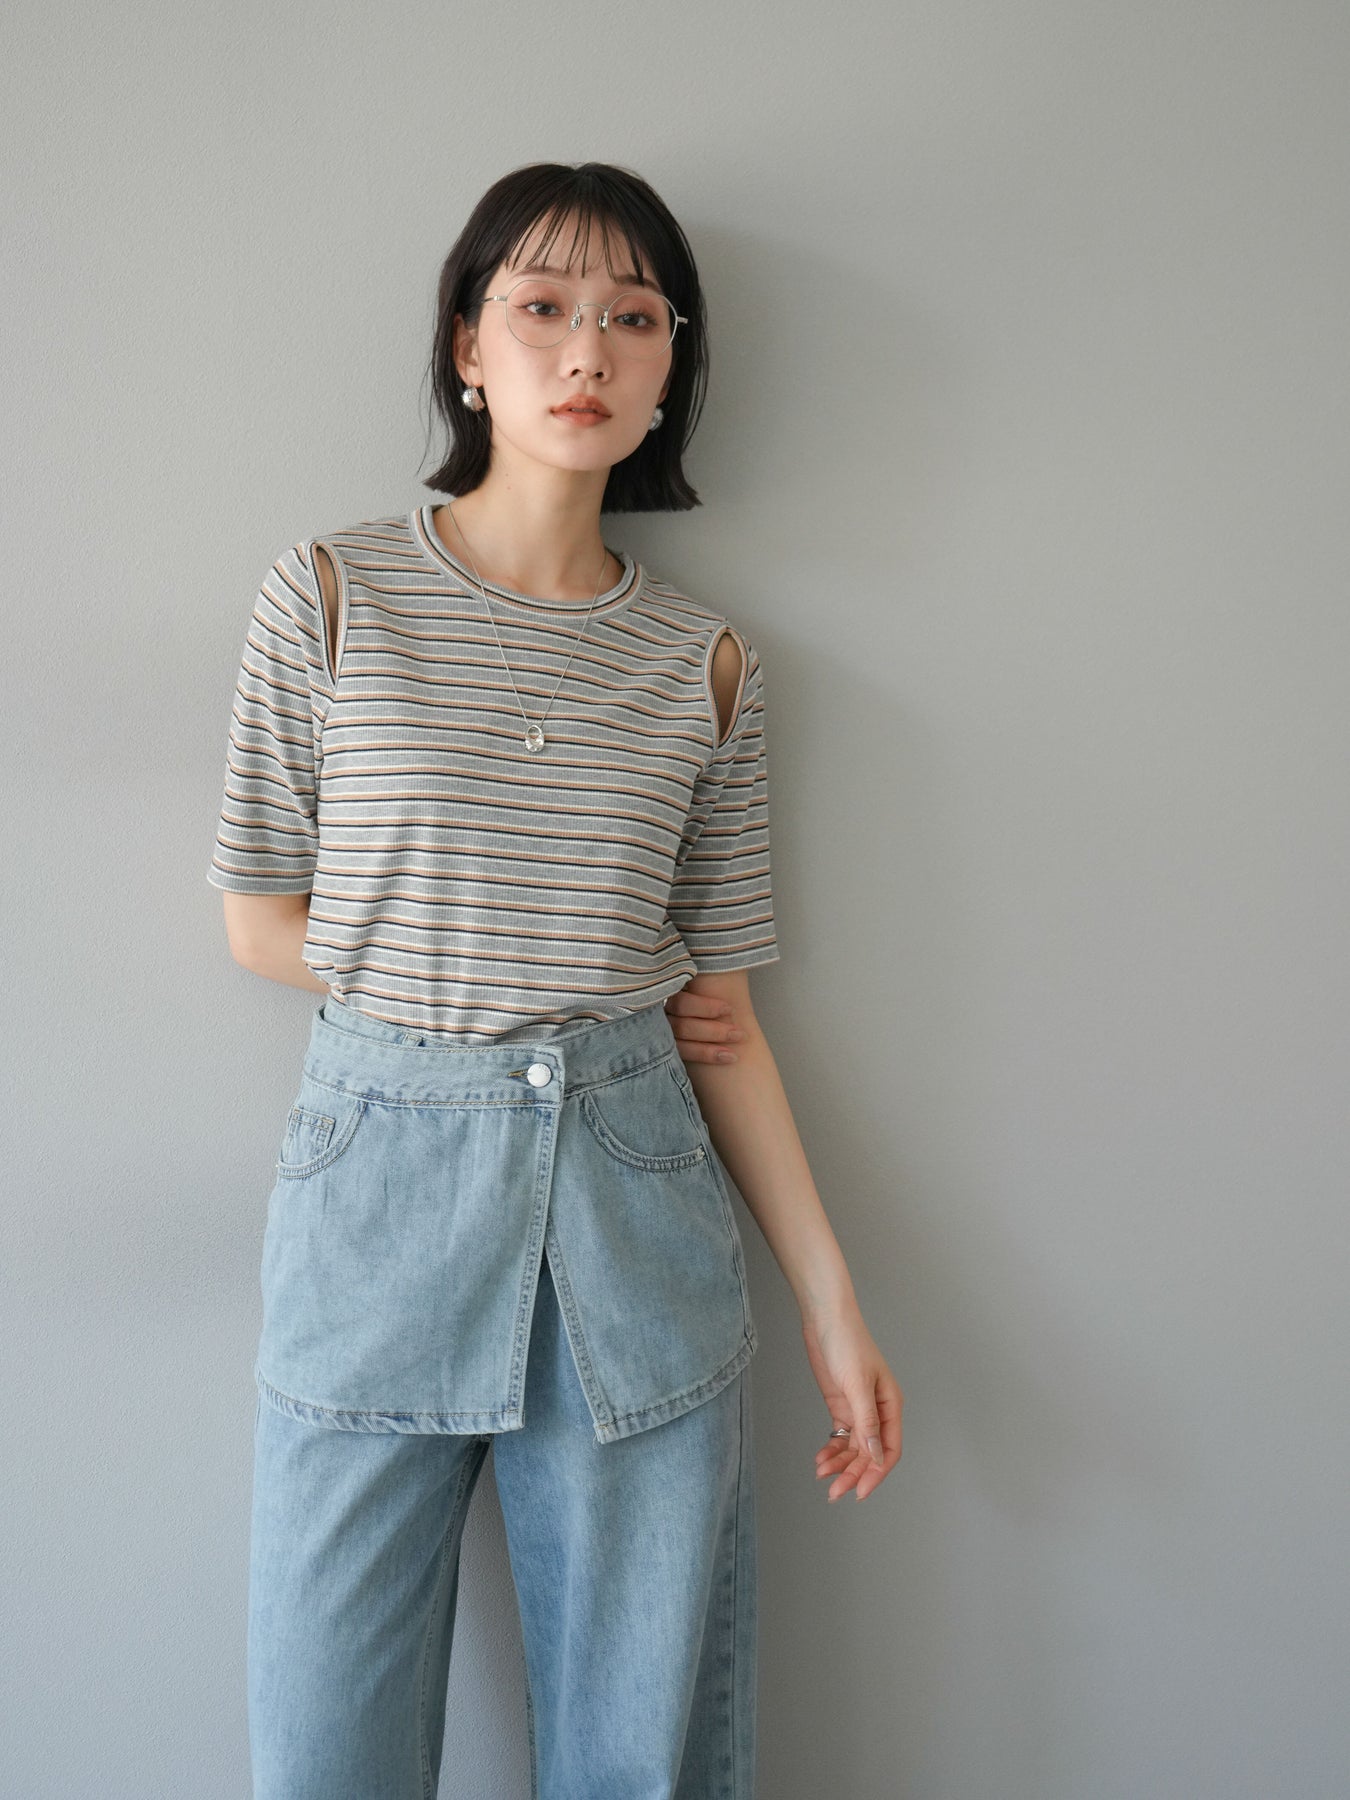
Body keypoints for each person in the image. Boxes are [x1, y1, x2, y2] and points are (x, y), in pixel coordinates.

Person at [207, 159, 903, 1800]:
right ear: (468, 346)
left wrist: (832, 1303)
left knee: (632, 1756)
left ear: (670, 371)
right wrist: (490, 985)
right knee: (323, 1747)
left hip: (631, 1203)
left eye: (633, 318)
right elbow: (256, 920)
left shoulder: (705, 663)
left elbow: (719, 1021)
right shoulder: (330, 593)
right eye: (540, 307)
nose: (586, 349)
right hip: (379, 1192)